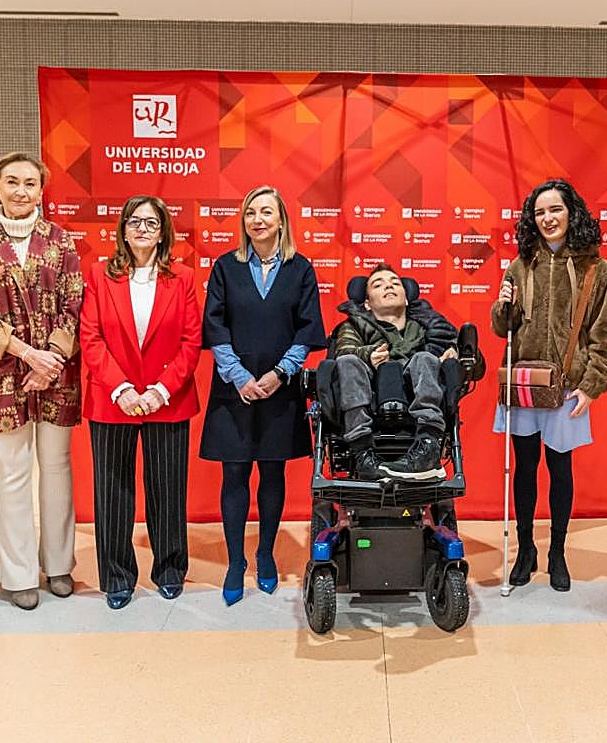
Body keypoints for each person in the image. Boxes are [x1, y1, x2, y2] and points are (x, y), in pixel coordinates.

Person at [0, 152, 83, 611]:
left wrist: (50, 357)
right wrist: (26, 354)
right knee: (12, 471)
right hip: (4, 373)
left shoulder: (61, 240)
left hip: (58, 371)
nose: (21, 191)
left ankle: (59, 564)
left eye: (30, 183)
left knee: (56, 466)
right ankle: (18, 573)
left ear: (41, 190)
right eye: (12, 182)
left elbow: (75, 303)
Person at [491, 179, 607, 592]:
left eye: (555, 210)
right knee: (524, 467)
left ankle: (557, 552)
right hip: (525, 382)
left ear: (572, 213)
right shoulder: (519, 264)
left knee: (560, 467)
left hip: (567, 384)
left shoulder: (596, 269)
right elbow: (503, 328)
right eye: (540, 212)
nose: (547, 219)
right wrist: (502, 305)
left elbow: (605, 333)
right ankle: (526, 548)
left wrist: (592, 384)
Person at [201, 186, 326, 605]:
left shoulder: (300, 268)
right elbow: (214, 325)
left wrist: (279, 374)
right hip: (233, 389)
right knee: (234, 474)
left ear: (281, 220)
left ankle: (266, 556)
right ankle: (236, 562)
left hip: (280, 389)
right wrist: (238, 375)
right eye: (250, 212)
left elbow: (308, 328)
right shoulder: (225, 267)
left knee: (273, 475)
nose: (257, 219)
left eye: (266, 212)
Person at [79, 195, 202, 609]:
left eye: (151, 223)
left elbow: (191, 341)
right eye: (134, 221)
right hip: (113, 399)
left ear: (164, 230)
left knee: (167, 489)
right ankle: (116, 576)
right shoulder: (99, 276)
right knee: (112, 492)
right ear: (122, 229)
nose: (142, 229)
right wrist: (123, 389)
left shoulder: (182, 278)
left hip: (168, 399)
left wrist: (159, 391)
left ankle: (169, 569)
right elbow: (91, 338)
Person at [334, 263, 458, 481]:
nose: (388, 287)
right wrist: (368, 355)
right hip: (371, 396)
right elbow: (344, 349)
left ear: (407, 298)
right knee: (347, 361)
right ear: (367, 303)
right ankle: (363, 454)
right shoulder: (354, 325)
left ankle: (427, 447)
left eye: (395, 283)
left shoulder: (430, 327)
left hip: (415, 393)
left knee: (425, 358)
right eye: (378, 284)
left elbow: (474, 363)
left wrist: (452, 353)